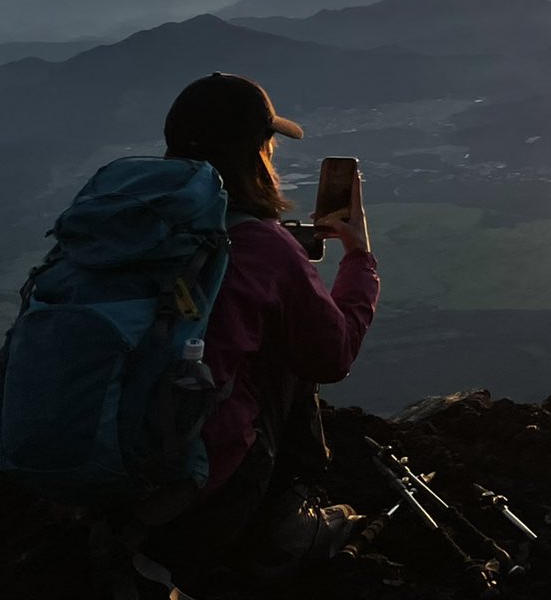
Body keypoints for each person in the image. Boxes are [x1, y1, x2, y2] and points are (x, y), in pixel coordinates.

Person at [141, 72, 379, 590]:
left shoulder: (130, 225)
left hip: (106, 466)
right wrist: (358, 256)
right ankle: (283, 521)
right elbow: (333, 354)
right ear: (258, 152)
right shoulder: (262, 247)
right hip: (199, 489)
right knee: (288, 350)